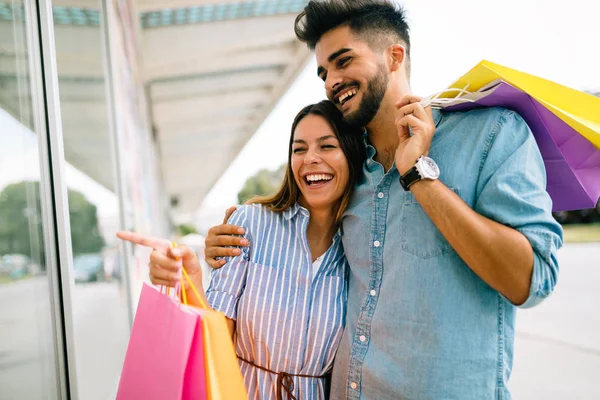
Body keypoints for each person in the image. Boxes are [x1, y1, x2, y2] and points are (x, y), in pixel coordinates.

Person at [204, 1, 564, 399]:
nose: (331, 81)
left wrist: (418, 176)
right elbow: (291, 242)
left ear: (395, 56)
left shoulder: (492, 133)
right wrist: (225, 245)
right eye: (324, 72)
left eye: (343, 62)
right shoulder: (345, 166)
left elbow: (531, 280)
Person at [117, 100, 366, 399]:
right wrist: (191, 279)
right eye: (299, 149)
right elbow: (217, 334)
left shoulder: (360, 248)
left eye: (327, 146)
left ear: (352, 154)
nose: (310, 158)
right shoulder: (250, 223)